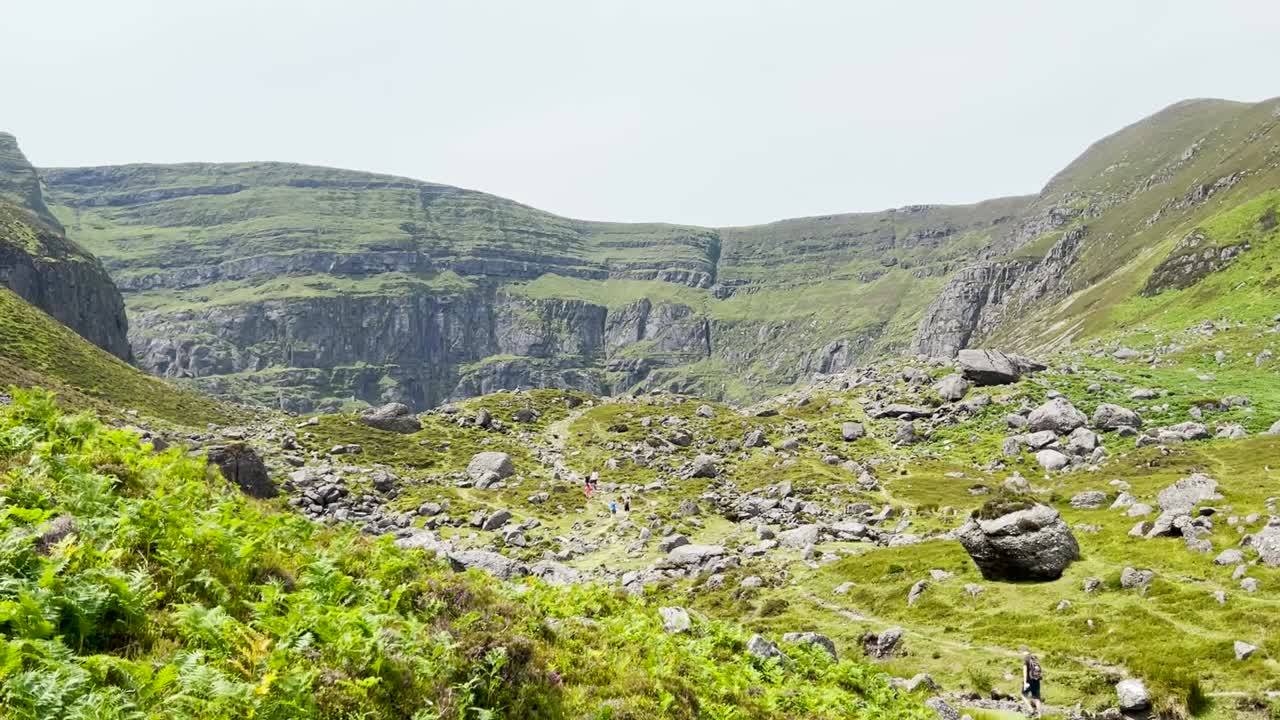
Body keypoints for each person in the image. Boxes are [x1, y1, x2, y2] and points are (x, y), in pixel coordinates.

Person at [1021, 648, 1043, 717]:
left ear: (1024, 652)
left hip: (1029, 681)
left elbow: (1025, 672)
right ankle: (1039, 716)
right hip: (1036, 680)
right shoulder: (1034, 658)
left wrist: (1025, 682)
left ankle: (1031, 710)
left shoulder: (1026, 659)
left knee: (1023, 695)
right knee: (1037, 698)